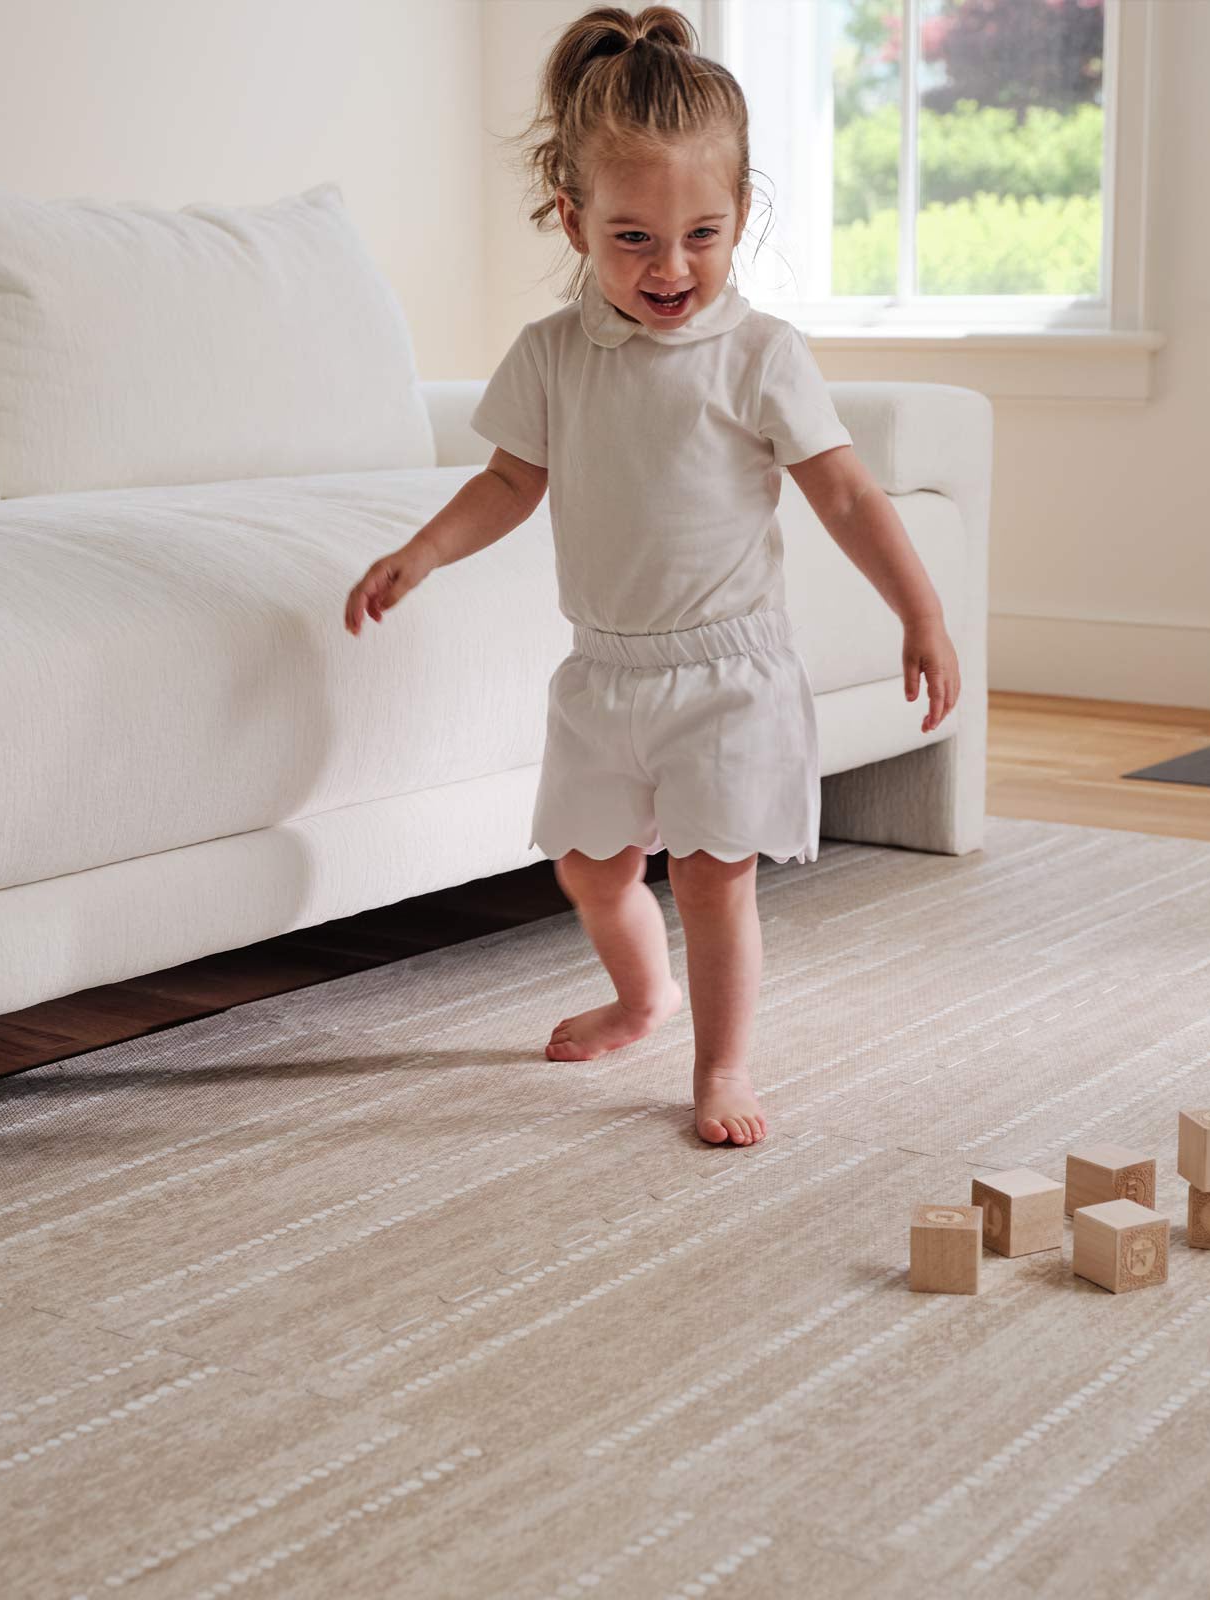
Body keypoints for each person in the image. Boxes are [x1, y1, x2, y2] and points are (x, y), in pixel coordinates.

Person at [345, 5, 960, 1148]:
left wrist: (918, 610)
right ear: (573, 219)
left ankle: (721, 1064)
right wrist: (422, 550)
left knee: (715, 881)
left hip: (728, 671)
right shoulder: (549, 355)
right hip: (604, 669)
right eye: (632, 237)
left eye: (702, 234)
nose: (670, 267)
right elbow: (507, 483)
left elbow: (845, 493)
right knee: (589, 868)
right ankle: (643, 996)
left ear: (742, 217)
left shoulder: (760, 354)